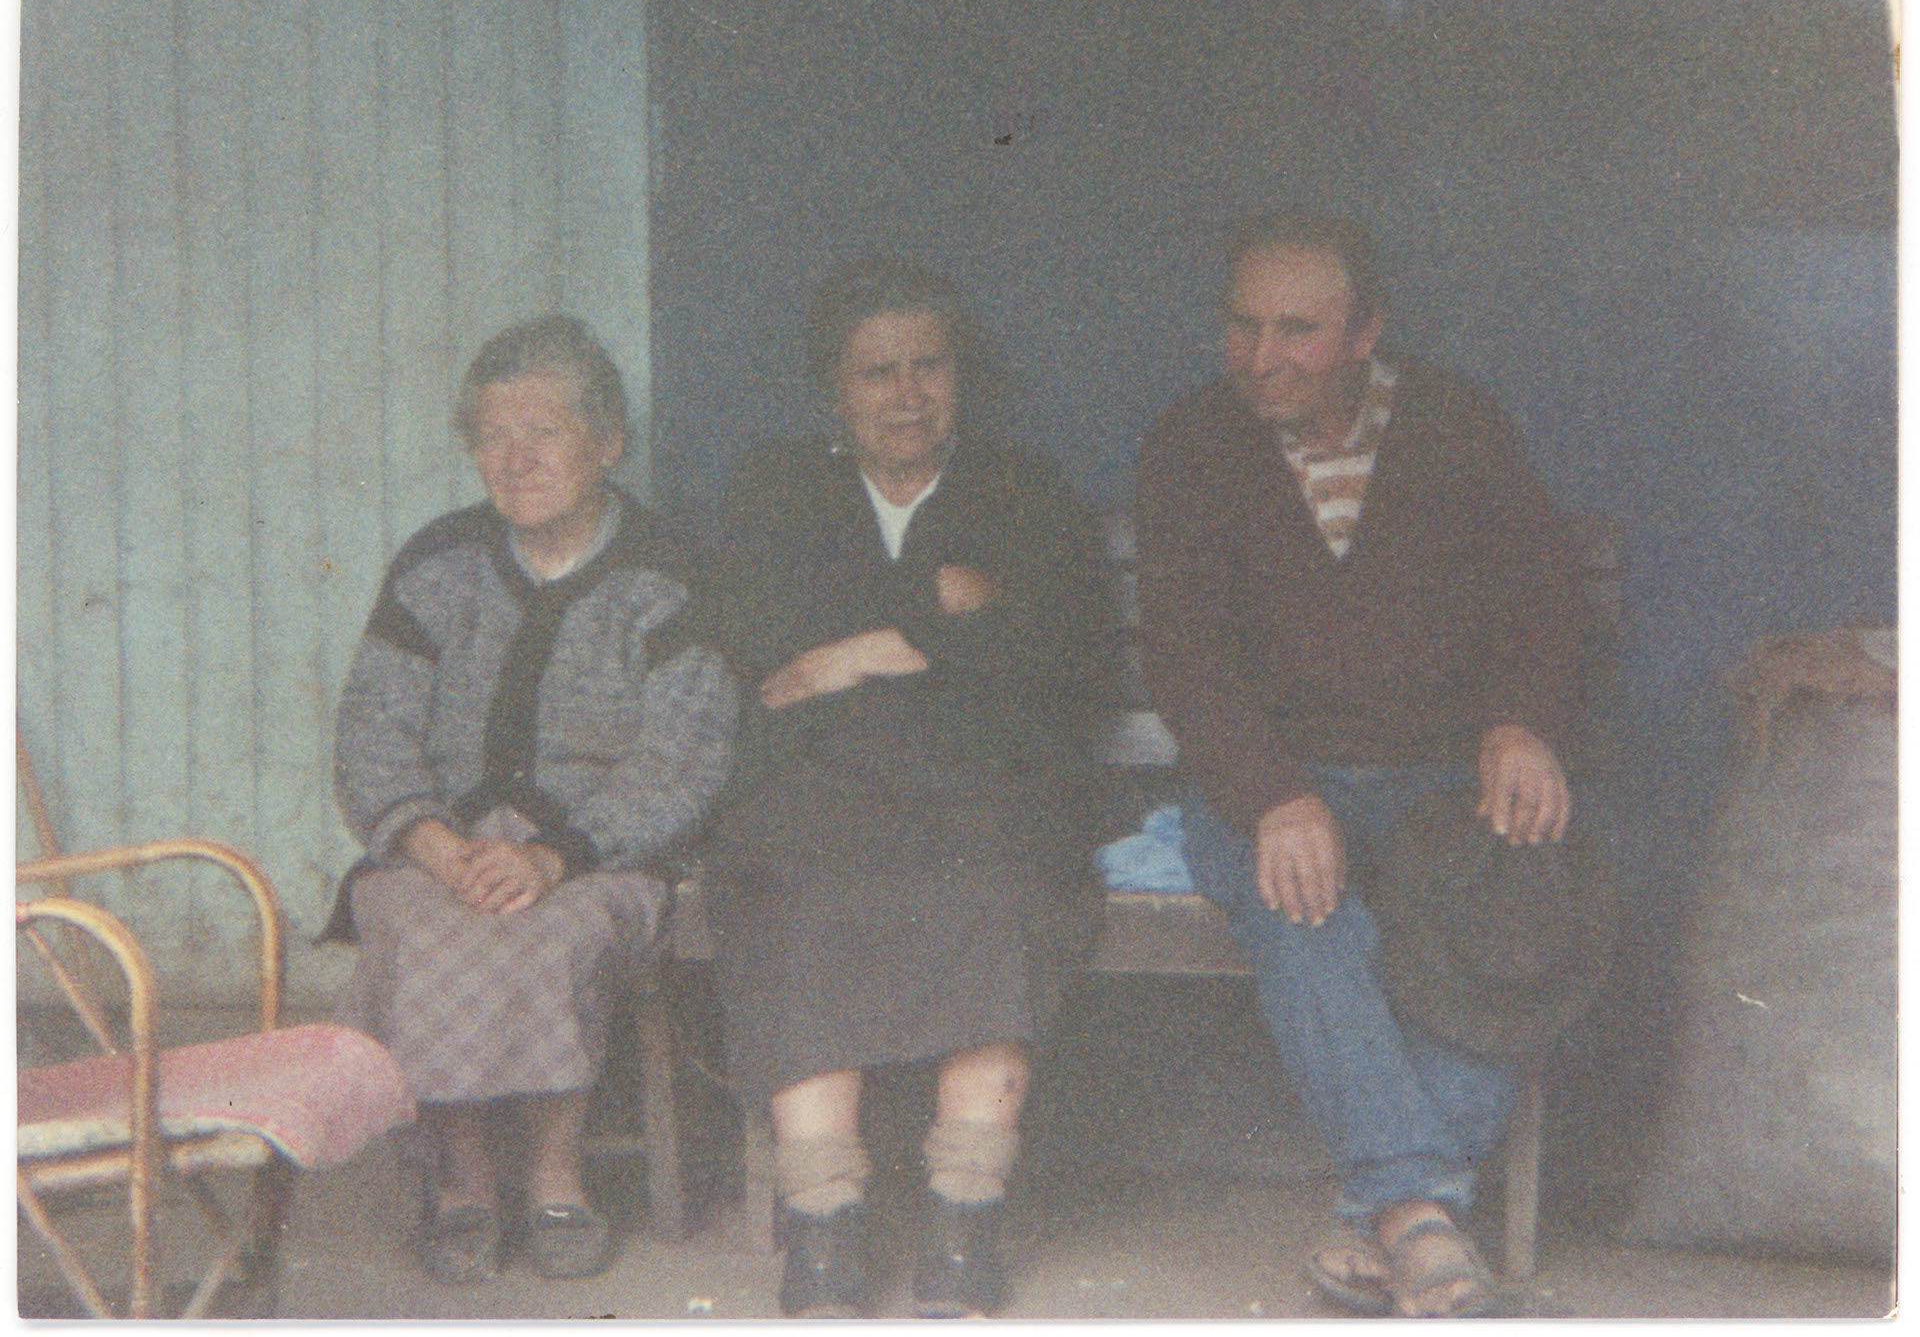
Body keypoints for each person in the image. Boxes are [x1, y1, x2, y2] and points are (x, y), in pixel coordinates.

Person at [1135, 213, 1580, 1319]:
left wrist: (1520, 723)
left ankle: (1379, 1216)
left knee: (1521, 902)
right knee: (1307, 906)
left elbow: (1543, 600)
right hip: (1271, 782)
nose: (1262, 356)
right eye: (1242, 325)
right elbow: (1189, 662)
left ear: (1367, 331)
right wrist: (1276, 794)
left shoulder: (1459, 426)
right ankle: (1424, 1217)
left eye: (1299, 329)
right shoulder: (1191, 444)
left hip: (1435, 782)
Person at [704, 257, 1114, 1319]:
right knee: (797, 885)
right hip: (818, 779)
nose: (906, 393)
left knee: (988, 880)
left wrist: (847, 651)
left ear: (961, 377)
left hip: (986, 772)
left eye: (928, 364)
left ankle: (964, 1216)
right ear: (832, 391)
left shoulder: (1024, 490)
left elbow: (1064, 651)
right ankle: (826, 1222)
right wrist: (945, 615)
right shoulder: (777, 484)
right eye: (875, 370)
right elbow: (755, 632)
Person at [327, 314, 737, 1285]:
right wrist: (432, 843)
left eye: (542, 432)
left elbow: (688, 754)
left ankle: (557, 1179)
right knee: (426, 927)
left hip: (601, 855)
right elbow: (369, 730)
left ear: (608, 443)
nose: (513, 460)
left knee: (554, 929)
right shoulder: (439, 563)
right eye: (492, 438)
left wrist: (556, 855)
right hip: (440, 845)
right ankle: (468, 1183)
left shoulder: (670, 573)